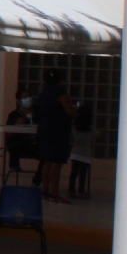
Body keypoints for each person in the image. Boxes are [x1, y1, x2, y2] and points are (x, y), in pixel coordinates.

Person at [34, 70, 75, 204]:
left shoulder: (44, 92)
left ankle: (45, 190)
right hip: (58, 131)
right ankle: (55, 193)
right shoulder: (60, 93)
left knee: (47, 161)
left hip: (44, 129)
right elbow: (70, 111)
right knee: (56, 162)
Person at [68, 98, 94, 200]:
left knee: (74, 172)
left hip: (75, 152)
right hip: (86, 154)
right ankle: (82, 191)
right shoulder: (91, 129)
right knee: (83, 174)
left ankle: (71, 190)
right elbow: (96, 136)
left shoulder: (74, 127)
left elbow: (73, 137)